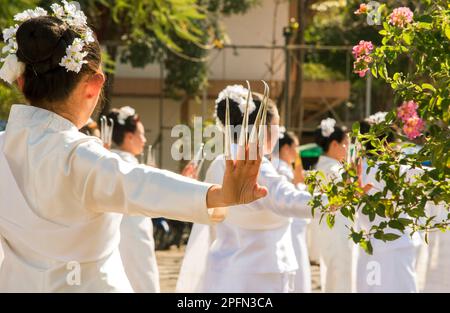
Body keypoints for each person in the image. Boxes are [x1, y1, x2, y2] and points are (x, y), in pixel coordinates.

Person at [0, 7, 266, 292]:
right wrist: (219, 195)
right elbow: (142, 183)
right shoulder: (79, 156)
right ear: (93, 85)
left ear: (21, 79)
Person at [178, 85, 325, 293]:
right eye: (277, 126)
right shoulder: (255, 165)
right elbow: (288, 200)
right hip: (260, 274)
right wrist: (337, 198)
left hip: (224, 267)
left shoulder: (219, 163)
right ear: (264, 129)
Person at [355, 120, 422, 292]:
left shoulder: (359, 170)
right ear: (386, 144)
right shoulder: (395, 170)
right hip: (395, 247)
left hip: (371, 245)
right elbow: (430, 179)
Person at [106, 106, 160, 293]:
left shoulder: (105, 162)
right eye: (141, 134)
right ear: (129, 137)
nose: (144, 140)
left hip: (110, 238)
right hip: (135, 236)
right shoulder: (133, 168)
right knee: (141, 281)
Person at [311, 118, 356, 292]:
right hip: (339, 229)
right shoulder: (334, 170)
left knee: (334, 273)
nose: (347, 148)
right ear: (335, 144)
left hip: (331, 229)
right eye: (345, 144)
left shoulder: (322, 165)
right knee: (341, 273)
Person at [271, 130, 312, 292]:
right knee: (297, 268)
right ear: (286, 148)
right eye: (296, 147)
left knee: (301, 266)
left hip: (297, 227)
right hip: (291, 226)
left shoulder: (285, 168)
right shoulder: (281, 170)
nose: (297, 152)